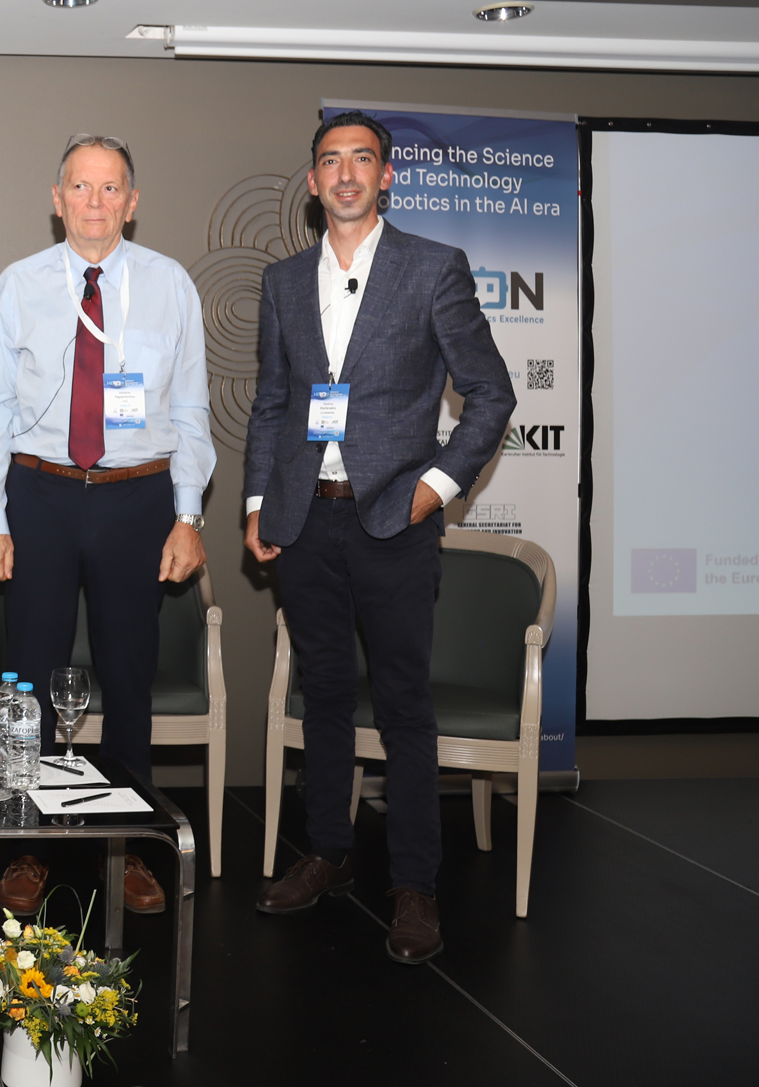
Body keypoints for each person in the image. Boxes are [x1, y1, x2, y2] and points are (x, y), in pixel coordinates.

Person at [245, 110, 513, 963]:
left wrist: (435, 489)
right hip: (304, 519)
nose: (347, 173)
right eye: (331, 160)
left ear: (386, 175)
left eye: (362, 158)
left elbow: (492, 393)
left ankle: (415, 885)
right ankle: (328, 849)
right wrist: (258, 500)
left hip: (394, 517)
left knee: (402, 702)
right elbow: (273, 403)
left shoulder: (433, 266)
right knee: (324, 692)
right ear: (314, 181)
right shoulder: (284, 280)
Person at [0, 133, 213, 919]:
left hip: (138, 498)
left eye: (110, 189)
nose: (94, 202)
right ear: (56, 197)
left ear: (132, 203)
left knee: (129, 679)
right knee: (26, 681)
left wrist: (188, 514)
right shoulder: (19, 283)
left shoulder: (171, 285)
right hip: (39, 493)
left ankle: (127, 844)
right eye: (80, 186)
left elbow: (191, 409)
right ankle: (27, 842)